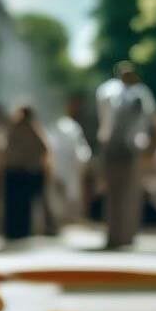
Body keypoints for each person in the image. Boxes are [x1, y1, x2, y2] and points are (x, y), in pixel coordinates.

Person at [101, 62, 156, 248]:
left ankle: (127, 235)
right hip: (113, 147)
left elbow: (154, 122)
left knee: (131, 192)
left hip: (132, 148)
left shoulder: (140, 94)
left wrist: (151, 150)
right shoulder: (110, 92)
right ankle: (114, 235)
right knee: (114, 192)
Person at [0, 105, 53, 240]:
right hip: (18, 172)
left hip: (21, 172)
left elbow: (43, 149)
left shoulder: (26, 129)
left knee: (20, 205)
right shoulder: (25, 129)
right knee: (18, 205)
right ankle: (17, 231)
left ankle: (18, 231)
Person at [46, 96, 93, 225]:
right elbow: (81, 151)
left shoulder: (58, 126)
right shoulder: (72, 127)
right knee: (68, 194)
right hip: (67, 166)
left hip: (60, 166)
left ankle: (61, 221)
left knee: (59, 196)